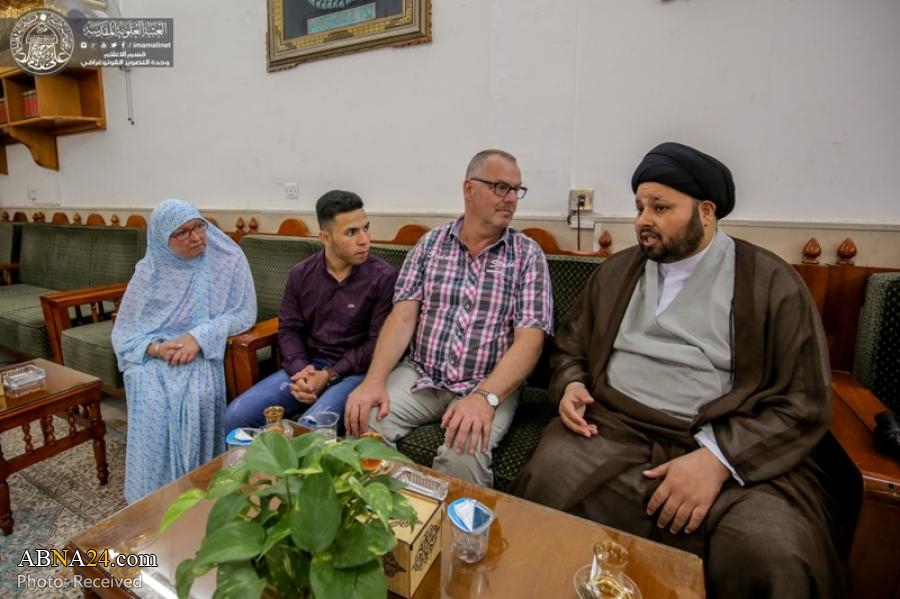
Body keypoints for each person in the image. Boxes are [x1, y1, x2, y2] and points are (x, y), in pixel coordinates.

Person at [513, 142, 845, 597]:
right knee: (547, 482)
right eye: (640, 207)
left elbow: (803, 400)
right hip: (615, 430)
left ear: (706, 212)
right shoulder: (616, 273)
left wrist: (717, 460)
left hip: (728, 446)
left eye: (660, 207)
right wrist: (571, 382)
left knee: (773, 551)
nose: (642, 220)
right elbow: (571, 346)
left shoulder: (769, 282)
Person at [344, 149, 554, 487]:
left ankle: (452, 537)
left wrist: (486, 398)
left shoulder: (527, 255)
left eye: (517, 190)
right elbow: (402, 318)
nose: (512, 198)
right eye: (501, 187)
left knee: (464, 450)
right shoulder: (431, 245)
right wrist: (373, 381)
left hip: (488, 380)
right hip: (422, 374)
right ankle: (385, 522)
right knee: (363, 420)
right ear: (469, 189)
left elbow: (530, 340)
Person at [112, 199, 256, 503]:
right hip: (154, 354)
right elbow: (124, 334)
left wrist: (198, 337)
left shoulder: (227, 258)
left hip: (203, 350)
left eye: (198, 226)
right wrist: (156, 348)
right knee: (148, 393)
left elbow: (244, 313)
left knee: (195, 395)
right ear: (162, 241)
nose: (196, 237)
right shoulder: (149, 271)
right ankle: (153, 499)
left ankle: (197, 489)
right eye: (182, 233)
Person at [223, 190, 397, 435]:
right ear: (325, 237)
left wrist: (328, 375)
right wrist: (301, 371)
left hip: (354, 372)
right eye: (351, 232)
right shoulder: (301, 274)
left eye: (366, 228)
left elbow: (377, 344)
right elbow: (289, 329)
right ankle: (258, 474)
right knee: (235, 416)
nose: (365, 239)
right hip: (308, 366)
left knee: (310, 429)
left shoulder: (383, 277)